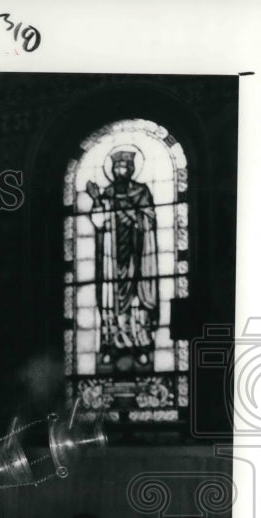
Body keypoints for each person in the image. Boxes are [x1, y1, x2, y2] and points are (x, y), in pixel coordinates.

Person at [85, 146, 159, 370]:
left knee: (137, 302)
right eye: (116, 166)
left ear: (132, 169)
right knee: (110, 301)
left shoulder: (142, 191)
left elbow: (149, 218)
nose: (120, 171)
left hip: (137, 256)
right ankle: (111, 347)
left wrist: (132, 216)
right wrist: (97, 201)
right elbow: (98, 222)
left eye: (124, 167)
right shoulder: (106, 193)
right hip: (111, 259)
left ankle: (141, 346)